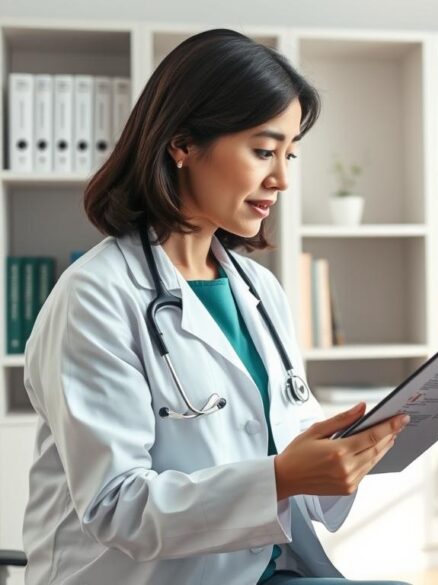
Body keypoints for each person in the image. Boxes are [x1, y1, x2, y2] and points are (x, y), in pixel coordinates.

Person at [21, 29, 411, 585]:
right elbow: (116, 505)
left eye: (289, 154)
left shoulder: (259, 289)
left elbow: (288, 445)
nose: (281, 179)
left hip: (268, 569)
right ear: (182, 145)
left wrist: (345, 454)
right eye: (263, 151)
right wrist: (279, 478)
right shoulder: (96, 296)